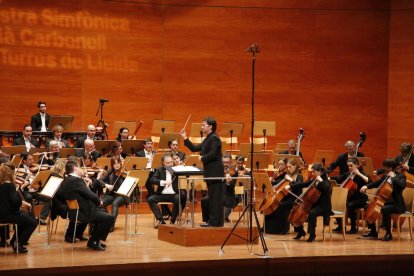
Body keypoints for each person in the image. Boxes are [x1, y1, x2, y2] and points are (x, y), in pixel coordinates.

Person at [60, 159, 115, 251]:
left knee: (104, 213)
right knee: (110, 218)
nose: (81, 169)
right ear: (75, 168)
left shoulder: (65, 180)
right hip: (84, 212)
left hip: (75, 211)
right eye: (79, 167)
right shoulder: (76, 180)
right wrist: (99, 202)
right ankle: (93, 241)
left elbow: (82, 193)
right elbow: (90, 194)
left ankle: (95, 240)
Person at [181, 117, 224, 227]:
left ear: (210, 126)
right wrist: (185, 138)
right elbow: (195, 148)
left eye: (203, 125)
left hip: (215, 173)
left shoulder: (214, 138)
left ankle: (214, 222)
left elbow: (213, 154)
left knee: (214, 199)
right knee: (212, 198)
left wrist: (202, 158)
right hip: (211, 172)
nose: (202, 126)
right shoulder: (208, 138)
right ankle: (214, 222)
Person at [360, 158, 406, 241]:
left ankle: (388, 233)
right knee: (367, 206)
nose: (384, 168)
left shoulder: (401, 176)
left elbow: (401, 186)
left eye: (386, 167)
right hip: (386, 202)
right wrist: (366, 186)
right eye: (384, 166)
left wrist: (393, 178)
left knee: (385, 209)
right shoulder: (385, 176)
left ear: (392, 168)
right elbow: (377, 183)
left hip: (396, 204)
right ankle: (373, 232)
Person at [288, 163, 332, 242]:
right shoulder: (314, 180)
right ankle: (300, 231)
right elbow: (303, 184)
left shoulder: (325, 181)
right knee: (298, 211)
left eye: (314, 172)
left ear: (320, 171)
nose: (312, 173)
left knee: (312, 213)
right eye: (312, 172)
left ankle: (312, 235)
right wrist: (291, 186)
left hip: (324, 206)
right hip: (315, 204)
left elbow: (327, 188)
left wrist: (321, 180)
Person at [0, 162, 37, 253]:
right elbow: (16, 203)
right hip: (6, 215)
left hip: (3, 214)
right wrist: (16, 192)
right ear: (11, 174)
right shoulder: (10, 186)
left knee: (25, 218)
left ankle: (14, 241)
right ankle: (19, 243)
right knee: (32, 222)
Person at [265, 158, 303, 234]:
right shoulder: (288, 175)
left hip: (294, 198)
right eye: (288, 167)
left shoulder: (299, 176)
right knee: (272, 204)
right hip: (287, 197)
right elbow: (280, 182)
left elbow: (299, 186)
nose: (288, 168)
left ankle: (283, 229)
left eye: (290, 167)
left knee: (281, 205)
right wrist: (270, 182)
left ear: (295, 166)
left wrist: (292, 180)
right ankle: (269, 229)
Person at [333, 157, 370, 233]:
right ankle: (341, 226)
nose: (349, 167)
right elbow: (338, 178)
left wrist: (358, 173)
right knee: (336, 204)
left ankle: (353, 228)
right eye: (348, 166)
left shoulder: (362, 173)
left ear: (356, 165)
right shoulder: (348, 174)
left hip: (361, 198)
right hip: (350, 198)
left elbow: (369, 181)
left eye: (351, 165)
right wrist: (327, 177)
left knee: (350, 205)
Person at [149, 155, 186, 227]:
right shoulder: (160, 170)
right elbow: (152, 180)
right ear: (163, 163)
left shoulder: (176, 169)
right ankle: (161, 220)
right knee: (151, 199)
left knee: (178, 198)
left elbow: (185, 176)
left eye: (171, 162)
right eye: (168, 163)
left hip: (174, 194)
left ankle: (173, 220)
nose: (170, 164)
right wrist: (163, 182)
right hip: (162, 194)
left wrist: (181, 168)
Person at [99, 156, 128, 231]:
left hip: (122, 195)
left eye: (118, 163)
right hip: (112, 194)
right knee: (101, 203)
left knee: (115, 203)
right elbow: (101, 180)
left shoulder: (124, 173)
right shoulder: (110, 171)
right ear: (112, 165)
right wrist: (107, 185)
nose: (117, 165)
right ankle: (106, 220)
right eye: (114, 163)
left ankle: (111, 224)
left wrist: (125, 177)